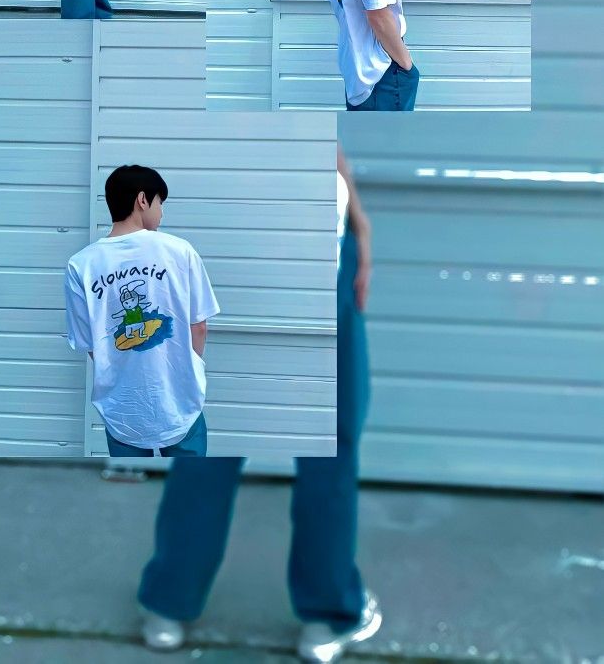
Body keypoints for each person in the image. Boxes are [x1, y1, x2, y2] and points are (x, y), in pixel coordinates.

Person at [134, 146, 382, 662]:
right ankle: (326, 616)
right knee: (329, 440)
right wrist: (356, 215)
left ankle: (169, 607)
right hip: (308, 246)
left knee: (214, 432)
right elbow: (321, 140)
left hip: (229, 245)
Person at [64, 164, 220, 457]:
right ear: (142, 200)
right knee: (189, 488)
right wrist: (187, 367)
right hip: (180, 402)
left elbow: (90, 345)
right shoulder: (180, 251)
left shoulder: (80, 265)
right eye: (160, 202)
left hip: (123, 409)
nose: (162, 213)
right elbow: (199, 326)